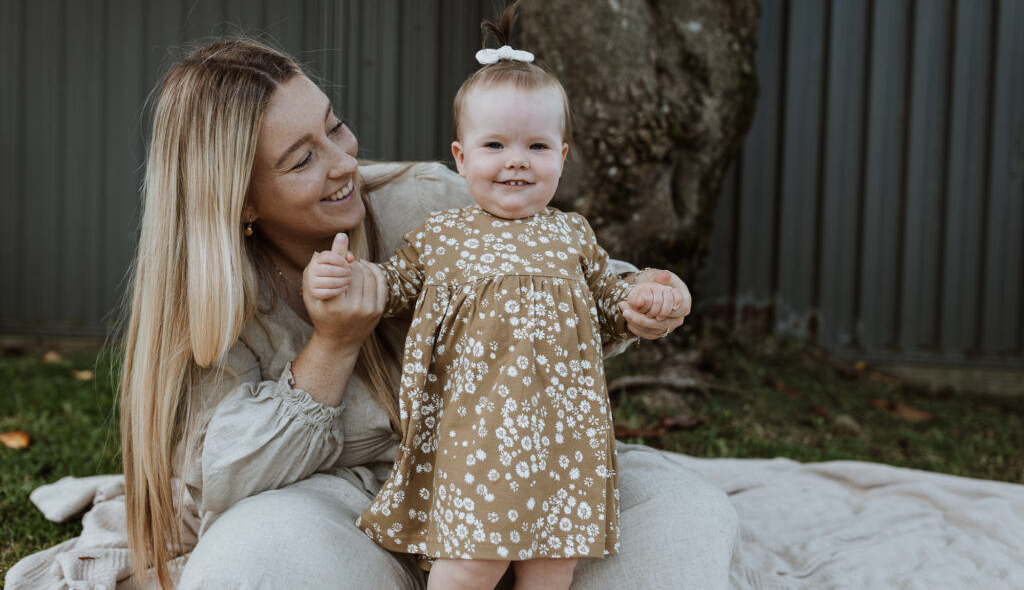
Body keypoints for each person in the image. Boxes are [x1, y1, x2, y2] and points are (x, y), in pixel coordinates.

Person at [112, 37, 736, 590]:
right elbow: (224, 482)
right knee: (256, 557)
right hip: (347, 509)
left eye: (336, 127)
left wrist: (641, 298)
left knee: (688, 515)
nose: (344, 163)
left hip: (517, 469)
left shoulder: (432, 200)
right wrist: (333, 344)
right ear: (240, 199)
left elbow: (567, 275)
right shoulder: (214, 301)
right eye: (302, 160)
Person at [306, 4, 683, 590]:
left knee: (551, 567)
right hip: (475, 437)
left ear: (561, 157)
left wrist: (641, 304)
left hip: (565, 439)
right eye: (495, 145)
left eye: (536, 146)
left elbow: (608, 305)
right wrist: (346, 276)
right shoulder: (441, 235)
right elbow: (392, 287)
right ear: (461, 157)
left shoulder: (572, 234)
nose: (515, 161)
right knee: (469, 566)